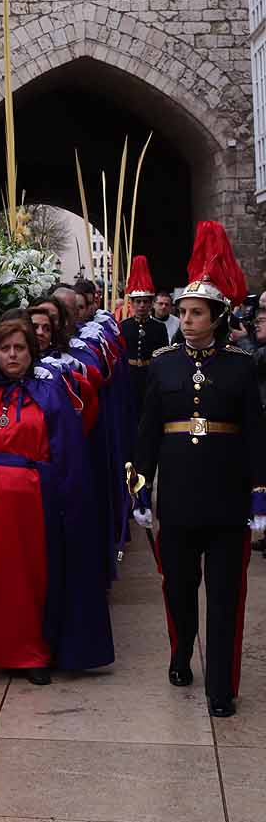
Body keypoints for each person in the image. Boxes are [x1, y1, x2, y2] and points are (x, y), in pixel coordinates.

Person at [132, 221, 266, 718]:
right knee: (179, 587)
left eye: (196, 313)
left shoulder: (240, 366)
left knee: (227, 596)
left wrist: (260, 492)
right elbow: (147, 432)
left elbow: (255, 434)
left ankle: (221, 688)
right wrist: (139, 486)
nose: (186, 320)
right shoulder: (163, 364)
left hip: (228, 499)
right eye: (183, 312)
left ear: (217, 317)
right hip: (179, 498)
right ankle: (180, 651)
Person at [0, 316, 113, 685]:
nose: (12, 355)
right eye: (5, 348)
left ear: (32, 353)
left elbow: (69, 443)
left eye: (19, 348)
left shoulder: (49, 390)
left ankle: (30, 653)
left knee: (26, 576)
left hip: (30, 498)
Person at [121, 257, 170, 415]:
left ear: (151, 304)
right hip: (129, 376)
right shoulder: (123, 326)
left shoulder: (159, 327)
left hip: (150, 375)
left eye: (145, 301)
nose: (142, 305)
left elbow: (163, 356)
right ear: (132, 303)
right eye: (138, 301)